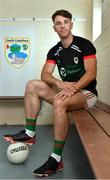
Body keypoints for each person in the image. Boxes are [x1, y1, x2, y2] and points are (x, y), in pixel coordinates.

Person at [4, 9, 98, 177]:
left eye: (65, 22)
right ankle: (29, 133)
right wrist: (59, 83)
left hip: (86, 93)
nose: (62, 26)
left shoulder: (84, 45)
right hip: (67, 92)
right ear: (54, 28)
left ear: (71, 24)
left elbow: (91, 73)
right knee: (33, 84)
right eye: (58, 23)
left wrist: (73, 88)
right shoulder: (54, 51)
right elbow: (45, 74)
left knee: (60, 102)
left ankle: (56, 160)